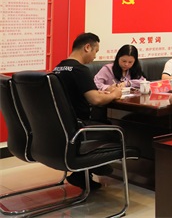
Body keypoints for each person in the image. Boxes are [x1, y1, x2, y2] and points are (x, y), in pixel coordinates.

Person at [52, 32, 122, 190]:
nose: (95, 57)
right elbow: (95, 100)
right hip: (79, 126)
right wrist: (115, 94)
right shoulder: (80, 70)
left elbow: (81, 93)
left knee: (103, 121)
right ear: (87, 47)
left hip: (63, 125)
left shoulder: (58, 68)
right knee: (115, 131)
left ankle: (88, 170)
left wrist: (103, 93)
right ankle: (93, 166)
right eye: (95, 51)